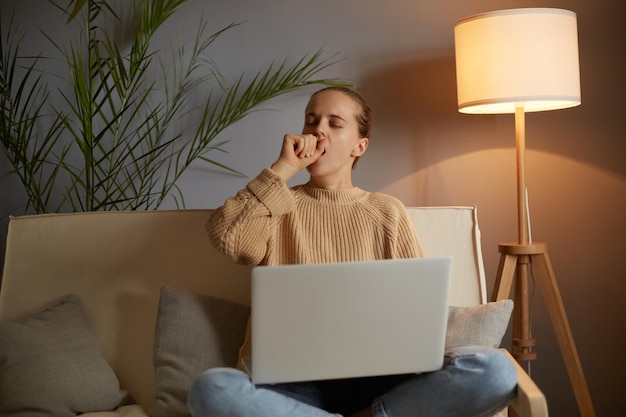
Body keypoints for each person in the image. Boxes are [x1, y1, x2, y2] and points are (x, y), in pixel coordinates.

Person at [188, 86, 517, 417]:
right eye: (311, 120)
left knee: (495, 371)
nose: (318, 130)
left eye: (334, 123)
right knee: (211, 389)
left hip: (378, 385)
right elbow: (227, 236)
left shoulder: (387, 211)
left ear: (359, 146)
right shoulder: (278, 205)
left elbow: (419, 313)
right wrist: (283, 169)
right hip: (289, 386)